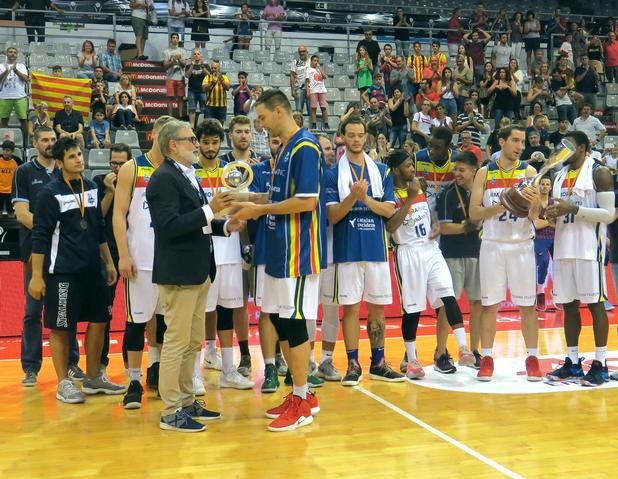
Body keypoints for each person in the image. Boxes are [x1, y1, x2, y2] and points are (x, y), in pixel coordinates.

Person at [232, 89, 325, 431]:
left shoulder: (305, 147)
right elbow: (276, 196)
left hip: (299, 250)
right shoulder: (285, 148)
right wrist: (245, 200)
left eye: (261, 118)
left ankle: (301, 399)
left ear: (279, 112)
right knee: (282, 322)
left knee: (295, 322)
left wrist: (259, 210)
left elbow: (307, 202)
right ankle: (301, 395)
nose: (259, 125)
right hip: (279, 249)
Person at [146, 119, 241, 432]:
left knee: (192, 341)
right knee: (176, 342)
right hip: (179, 273)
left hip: (197, 271)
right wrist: (210, 209)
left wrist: (224, 226)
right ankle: (171, 410)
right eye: (190, 139)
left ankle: (186, 401)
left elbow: (198, 221)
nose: (197, 144)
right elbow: (169, 227)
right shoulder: (163, 178)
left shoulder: (186, 174)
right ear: (173, 145)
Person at [28, 137, 125, 403]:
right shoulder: (49, 194)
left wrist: (108, 262)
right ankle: (64, 382)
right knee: (61, 327)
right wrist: (37, 276)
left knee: (99, 322)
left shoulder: (91, 187)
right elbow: (40, 236)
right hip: (63, 272)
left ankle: (93, 377)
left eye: (80, 154)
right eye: (72, 156)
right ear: (60, 163)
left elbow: (99, 229)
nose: (79, 159)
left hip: (93, 270)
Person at [323, 115, 404, 386]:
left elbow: (389, 210)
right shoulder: (332, 173)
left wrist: (365, 198)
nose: (356, 140)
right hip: (347, 251)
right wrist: (352, 197)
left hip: (376, 249)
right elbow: (333, 215)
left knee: (378, 310)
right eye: (351, 135)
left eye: (360, 135)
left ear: (366, 137)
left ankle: (378, 363)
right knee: (351, 309)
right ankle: (353, 364)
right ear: (342, 138)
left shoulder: (382, 171)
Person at [386, 149, 474, 380]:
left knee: (448, 295)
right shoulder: (389, 194)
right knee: (412, 309)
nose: (412, 169)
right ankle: (412, 360)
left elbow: (426, 215)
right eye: (407, 165)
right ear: (395, 170)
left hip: (431, 249)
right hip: (408, 252)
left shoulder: (420, 186)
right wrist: (410, 198)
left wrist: (434, 224)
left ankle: (463, 348)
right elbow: (390, 227)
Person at [11, 128, 84, 385]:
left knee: (67, 308)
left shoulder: (65, 170)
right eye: (44, 140)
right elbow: (22, 214)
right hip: (36, 251)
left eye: (53, 139)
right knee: (33, 311)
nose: (50, 143)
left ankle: (71, 364)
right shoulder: (24, 172)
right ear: (34, 143)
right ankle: (31, 367)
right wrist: (53, 228)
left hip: (65, 253)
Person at [469, 125, 542, 382]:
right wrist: (502, 204)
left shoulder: (529, 172)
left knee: (528, 306)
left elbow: (535, 217)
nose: (520, 146)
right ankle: (487, 357)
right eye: (515, 140)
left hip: (522, 244)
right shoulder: (484, 172)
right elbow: (474, 213)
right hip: (492, 244)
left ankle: (532, 358)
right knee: (490, 305)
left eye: (522, 141)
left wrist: (536, 202)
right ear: (501, 141)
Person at [546, 130, 615, 386]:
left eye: (570, 146)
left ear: (583, 148)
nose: (564, 150)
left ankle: (600, 364)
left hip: (589, 250)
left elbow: (608, 214)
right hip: (563, 247)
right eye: (562, 146)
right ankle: (573, 362)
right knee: (568, 306)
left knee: (596, 305)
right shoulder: (559, 175)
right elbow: (560, 212)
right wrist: (552, 215)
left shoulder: (599, 172)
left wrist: (573, 209)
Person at [113, 116, 173, 408]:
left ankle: (158, 369)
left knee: (165, 322)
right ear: (153, 135)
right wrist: (123, 254)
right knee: (136, 321)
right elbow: (118, 214)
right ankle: (133, 381)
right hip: (140, 259)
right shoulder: (132, 168)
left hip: (170, 259)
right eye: (163, 133)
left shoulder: (178, 169)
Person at [193, 119, 255, 392]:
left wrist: (231, 217)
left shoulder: (231, 173)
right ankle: (195, 373)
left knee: (227, 311)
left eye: (214, 142)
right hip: (203, 251)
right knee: (199, 313)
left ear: (221, 143)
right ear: (198, 143)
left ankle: (229, 370)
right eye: (205, 142)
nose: (210, 147)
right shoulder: (191, 173)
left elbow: (242, 205)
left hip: (229, 250)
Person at [437, 150, 483, 368]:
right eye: (456, 169)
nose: (457, 173)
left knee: (478, 304)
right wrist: (468, 227)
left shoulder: (482, 192)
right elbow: (444, 228)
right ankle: (440, 353)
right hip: (452, 254)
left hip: (478, 252)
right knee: (448, 304)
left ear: (474, 171)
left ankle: (475, 351)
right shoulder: (448, 194)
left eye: (462, 170)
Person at [92, 144, 131, 374]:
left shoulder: (138, 182)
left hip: (134, 250)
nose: (116, 168)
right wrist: (110, 192)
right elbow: (97, 217)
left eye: (121, 164)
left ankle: (130, 361)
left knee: (136, 310)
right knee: (103, 311)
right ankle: (101, 364)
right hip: (109, 254)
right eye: (113, 163)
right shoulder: (99, 182)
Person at [312, 134, 342, 381]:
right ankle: (307, 361)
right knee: (308, 310)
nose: (329, 152)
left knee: (331, 310)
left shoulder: (338, 177)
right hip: (310, 254)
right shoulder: (306, 179)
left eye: (331, 148)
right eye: (324, 149)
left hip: (333, 253)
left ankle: (326, 360)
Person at [532, 176, 555, 312]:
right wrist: (550, 222)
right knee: (544, 262)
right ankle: (540, 292)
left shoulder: (554, 202)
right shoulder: (535, 202)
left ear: (551, 187)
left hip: (554, 237)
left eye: (547, 184)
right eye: (543, 184)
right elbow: (536, 224)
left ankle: (557, 291)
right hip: (539, 237)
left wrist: (547, 222)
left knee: (562, 263)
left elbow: (558, 224)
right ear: (539, 186)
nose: (545, 186)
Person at [0, 46, 29, 142]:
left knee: (23, 120)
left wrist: (15, 70)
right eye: (10, 52)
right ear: (6, 54)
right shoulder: (1, 66)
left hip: (19, 97)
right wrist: (6, 71)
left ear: (17, 55)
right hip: (4, 96)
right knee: (4, 120)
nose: (12, 54)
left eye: (14, 52)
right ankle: (4, 142)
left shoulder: (21, 66)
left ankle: (25, 142)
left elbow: (26, 79)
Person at [163, 33, 187, 119]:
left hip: (180, 77)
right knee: (169, 98)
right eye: (173, 38)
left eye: (177, 38)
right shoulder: (166, 51)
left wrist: (179, 58)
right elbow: (165, 66)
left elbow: (184, 64)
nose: (175, 39)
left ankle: (180, 116)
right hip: (170, 77)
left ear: (178, 40)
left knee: (180, 98)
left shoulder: (182, 51)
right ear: (170, 39)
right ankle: (170, 117)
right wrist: (172, 60)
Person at [185, 48, 209, 128]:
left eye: (198, 54)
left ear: (201, 55)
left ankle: (204, 126)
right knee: (192, 109)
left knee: (204, 109)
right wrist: (192, 65)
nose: (196, 55)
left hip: (203, 91)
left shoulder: (205, 65)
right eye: (194, 54)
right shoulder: (188, 66)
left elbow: (209, 75)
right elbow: (187, 75)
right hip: (192, 90)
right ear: (192, 56)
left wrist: (202, 67)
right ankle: (192, 126)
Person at [202, 60, 231, 125]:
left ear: (219, 69)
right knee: (208, 124)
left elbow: (228, 88)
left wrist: (221, 80)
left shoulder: (224, 77)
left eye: (215, 68)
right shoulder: (207, 77)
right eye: (212, 68)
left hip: (222, 105)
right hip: (210, 105)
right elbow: (204, 89)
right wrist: (212, 82)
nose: (213, 69)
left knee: (220, 125)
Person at [290, 45, 310, 117]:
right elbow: (292, 76)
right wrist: (292, 90)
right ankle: (299, 124)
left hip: (310, 88)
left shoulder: (311, 61)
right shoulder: (295, 62)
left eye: (303, 51)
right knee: (298, 110)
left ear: (307, 52)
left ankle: (311, 124)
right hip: (299, 88)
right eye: (300, 52)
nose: (302, 53)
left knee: (311, 110)